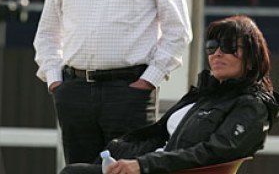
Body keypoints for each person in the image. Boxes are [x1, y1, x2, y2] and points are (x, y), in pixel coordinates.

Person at [33, 0, 192, 165]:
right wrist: (56, 83)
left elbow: (178, 31)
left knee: (128, 170)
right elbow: (47, 34)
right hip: (75, 92)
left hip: (129, 91)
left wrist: (148, 80)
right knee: (79, 171)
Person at [59, 15, 279, 174]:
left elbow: (214, 153)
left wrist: (142, 165)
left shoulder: (251, 106)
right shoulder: (204, 95)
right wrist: (118, 149)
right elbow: (158, 135)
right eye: (212, 46)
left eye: (229, 46)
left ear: (251, 57)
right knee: (80, 168)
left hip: (164, 170)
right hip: (151, 165)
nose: (217, 53)